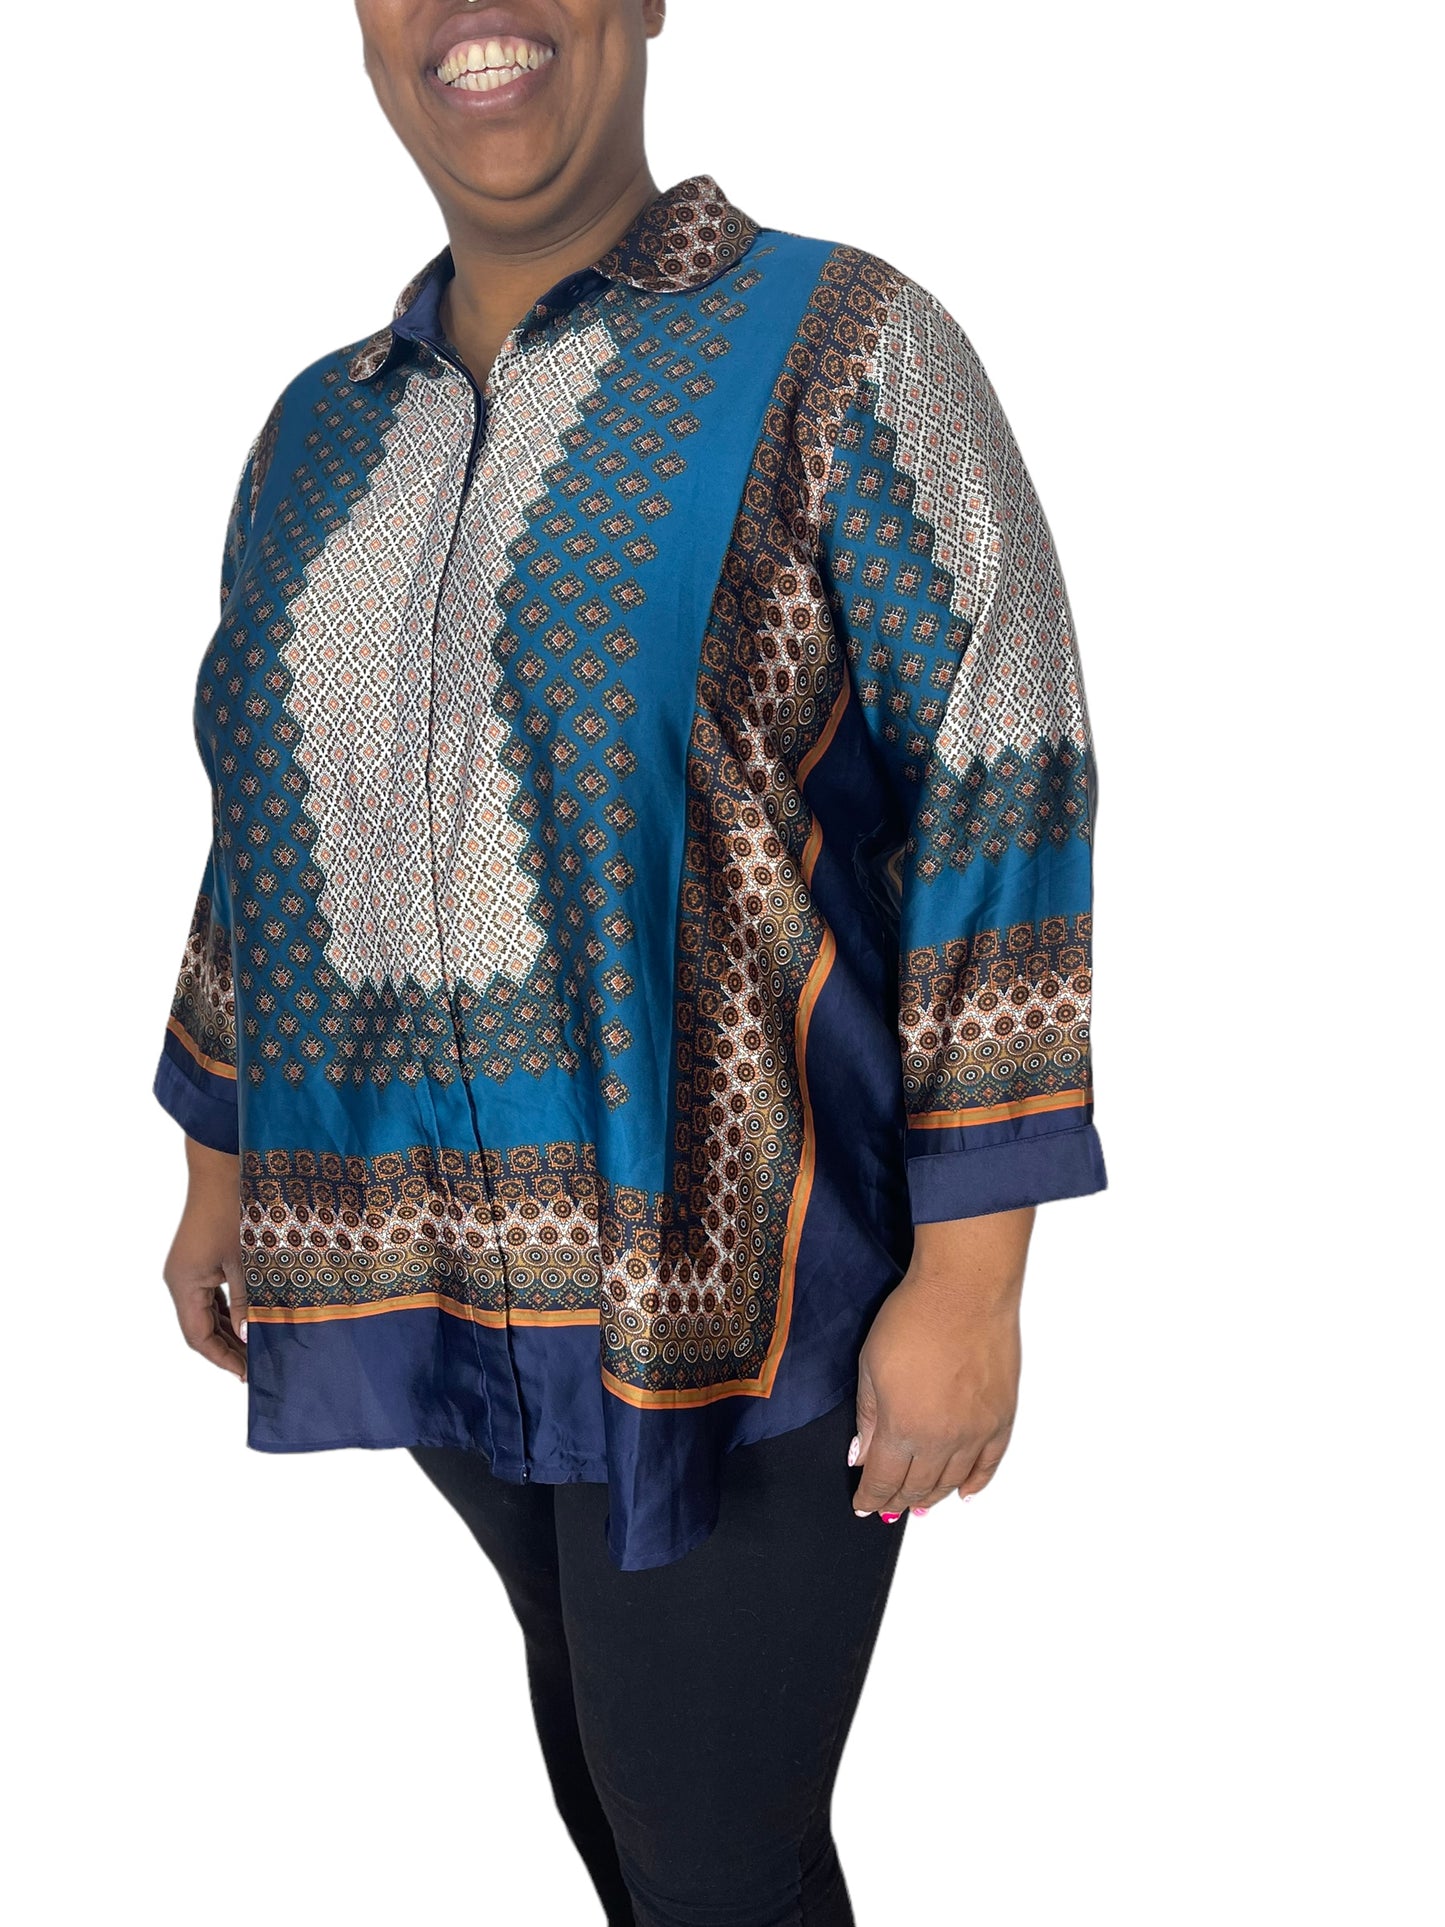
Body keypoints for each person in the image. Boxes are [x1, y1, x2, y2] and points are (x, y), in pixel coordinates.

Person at [155, 3, 1107, 1922]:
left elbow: (1001, 775)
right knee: (622, 1808)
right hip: (423, 1273)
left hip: (742, 1301)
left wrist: (973, 1275)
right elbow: (257, 817)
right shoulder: (320, 430)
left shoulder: (841, 348)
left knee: (706, 1855)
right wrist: (219, 1164)